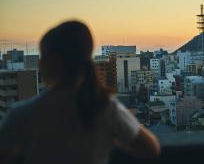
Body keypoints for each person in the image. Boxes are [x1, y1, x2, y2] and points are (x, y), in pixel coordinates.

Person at [0, 21, 160, 164]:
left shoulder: (23, 114)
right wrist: (112, 137)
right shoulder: (104, 108)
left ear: (51, 61)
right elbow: (150, 148)